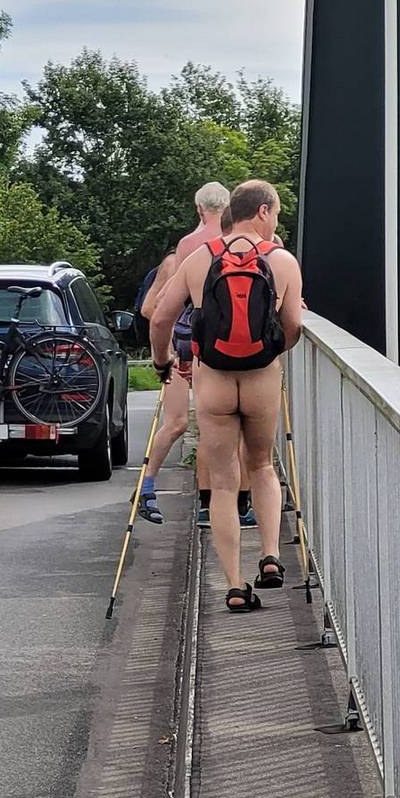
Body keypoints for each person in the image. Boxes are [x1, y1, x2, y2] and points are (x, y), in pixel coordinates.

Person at [150, 180, 303, 612]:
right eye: (275, 213)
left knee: (221, 482)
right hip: (261, 378)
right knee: (262, 466)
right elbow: (293, 325)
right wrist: (272, 350)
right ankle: (269, 556)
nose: (275, 222)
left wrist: (162, 362)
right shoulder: (282, 261)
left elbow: (160, 317)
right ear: (263, 211)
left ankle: (235, 585)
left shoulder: (201, 258)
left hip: (213, 379)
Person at [139, 183, 257, 529]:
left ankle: (157, 490)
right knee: (219, 426)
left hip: (183, 345)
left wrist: (165, 348)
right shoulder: (242, 244)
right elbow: (158, 307)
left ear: (199, 208)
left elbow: (154, 309)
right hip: (207, 347)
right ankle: (231, 504)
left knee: (188, 424)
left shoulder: (185, 248)